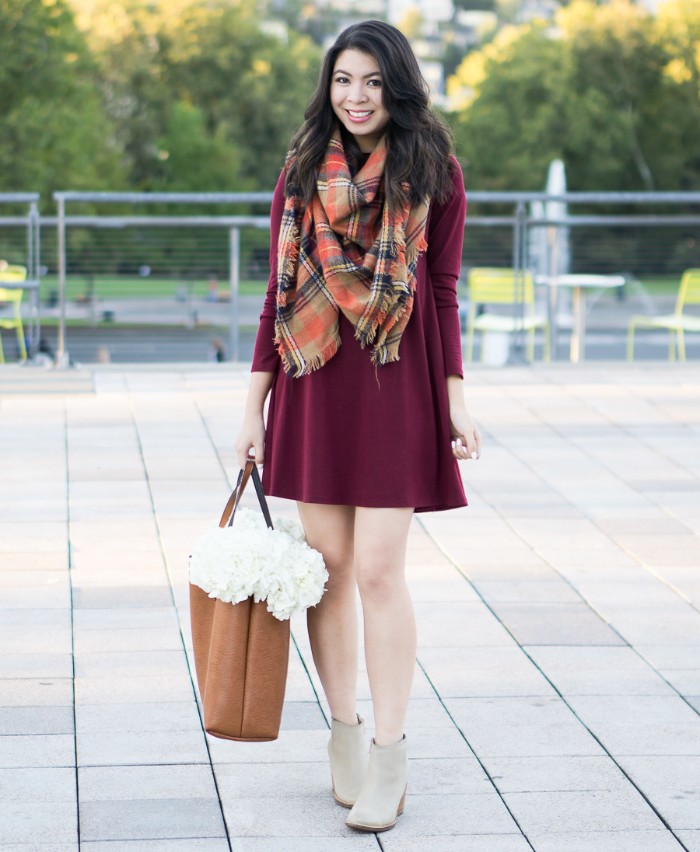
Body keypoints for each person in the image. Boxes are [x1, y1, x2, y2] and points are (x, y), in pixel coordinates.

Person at [235, 19, 481, 833]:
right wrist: (252, 409)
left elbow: (440, 292)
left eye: (372, 81)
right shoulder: (301, 172)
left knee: (379, 570)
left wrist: (455, 397)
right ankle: (342, 730)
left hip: (395, 386)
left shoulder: (434, 174)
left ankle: (390, 751)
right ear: (327, 86)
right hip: (316, 381)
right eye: (344, 80)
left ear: (398, 85)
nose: (357, 96)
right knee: (329, 569)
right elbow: (277, 297)